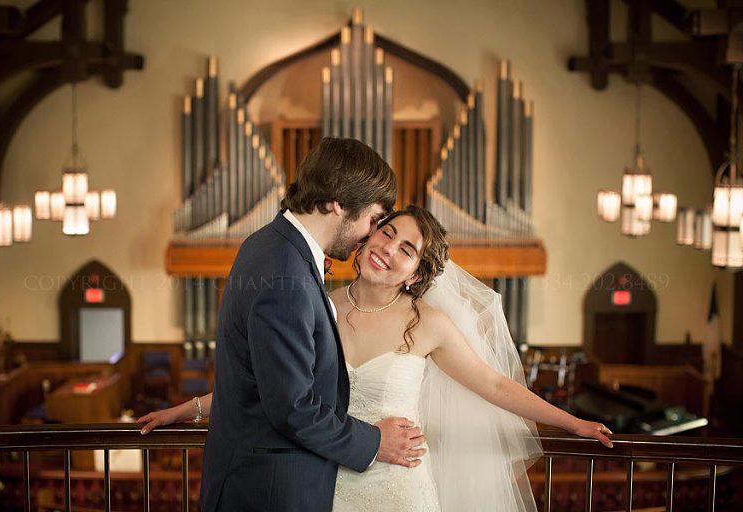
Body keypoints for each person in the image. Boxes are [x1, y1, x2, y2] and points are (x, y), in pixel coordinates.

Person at [140, 204, 613, 511]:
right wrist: (191, 408)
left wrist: (571, 422)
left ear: (415, 273)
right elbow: (278, 384)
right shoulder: (317, 302)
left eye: (406, 250)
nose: (388, 249)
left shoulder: (428, 323)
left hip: (398, 487)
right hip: (326, 479)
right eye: (386, 233)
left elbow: (494, 386)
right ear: (366, 236)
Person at [183, 138, 427, 512]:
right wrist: (375, 441)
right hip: (270, 493)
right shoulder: (286, 275)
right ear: (339, 203)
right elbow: (292, 407)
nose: (371, 235)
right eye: (374, 219)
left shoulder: (268, 244)